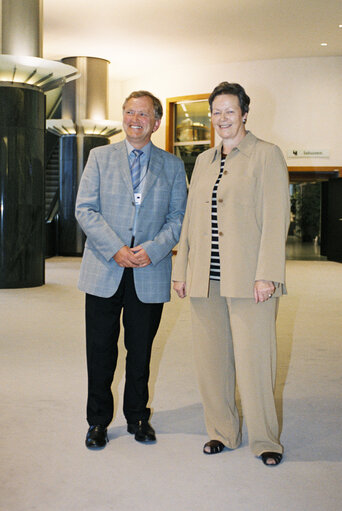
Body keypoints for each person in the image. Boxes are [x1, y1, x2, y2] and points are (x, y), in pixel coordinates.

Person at [173, 82, 290, 466]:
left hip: (250, 279)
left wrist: (267, 274)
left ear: (244, 113)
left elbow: (276, 220)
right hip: (206, 278)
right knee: (212, 362)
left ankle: (265, 439)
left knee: (255, 362)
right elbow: (190, 221)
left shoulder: (266, 155)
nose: (223, 118)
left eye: (230, 111)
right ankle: (222, 431)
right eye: (216, 112)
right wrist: (182, 268)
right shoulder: (204, 161)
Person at [76, 90, 187, 449]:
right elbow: (85, 209)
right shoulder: (99, 157)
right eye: (129, 112)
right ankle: (97, 423)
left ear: (156, 122)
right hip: (105, 267)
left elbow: (178, 217)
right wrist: (116, 249)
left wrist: (152, 250)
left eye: (143, 114)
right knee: (100, 350)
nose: (134, 119)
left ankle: (138, 417)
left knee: (140, 350)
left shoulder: (171, 165)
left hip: (148, 271)